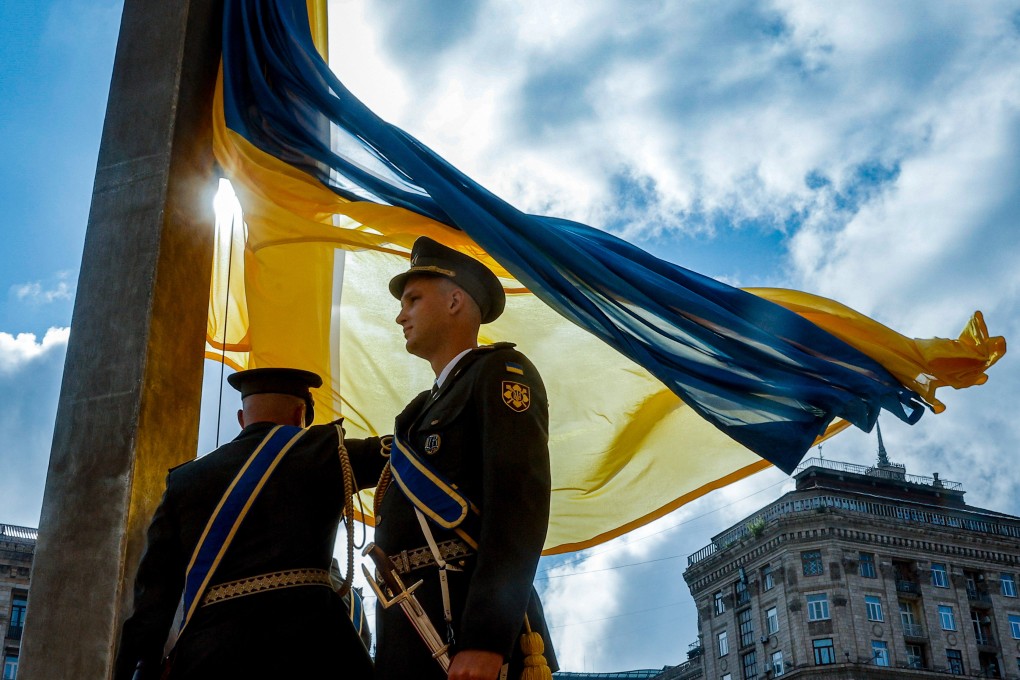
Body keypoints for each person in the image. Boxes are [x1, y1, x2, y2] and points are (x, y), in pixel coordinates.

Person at [115, 367, 383, 680]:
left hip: (210, 657)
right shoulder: (330, 452)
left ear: (242, 419)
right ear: (301, 415)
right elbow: (410, 452)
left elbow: (154, 598)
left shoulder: (185, 480)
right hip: (313, 651)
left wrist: (140, 668)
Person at [371, 236, 558, 680]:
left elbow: (518, 505)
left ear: (455, 301)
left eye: (413, 299)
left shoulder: (501, 373)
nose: (401, 315)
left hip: (463, 630)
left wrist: (485, 639)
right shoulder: (417, 413)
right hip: (411, 626)